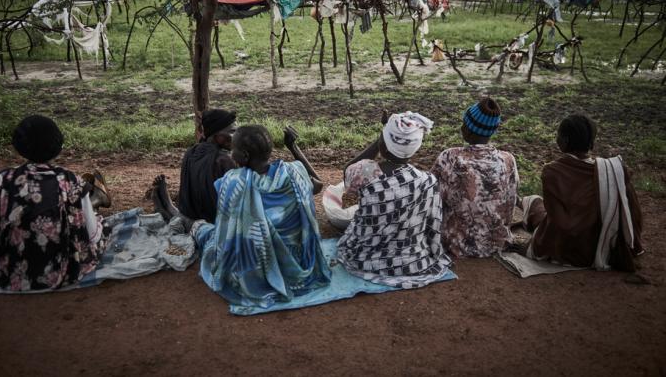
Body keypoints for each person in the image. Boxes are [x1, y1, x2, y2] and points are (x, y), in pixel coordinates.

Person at [154, 125, 330, 308]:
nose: (230, 154)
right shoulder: (293, 172)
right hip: (297, 263)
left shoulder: (234, 181)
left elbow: (226, 233)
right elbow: (317, 185)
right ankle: (174, 213)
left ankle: (175, 214)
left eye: (233, 150)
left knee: (206, 232)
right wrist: (293, 148)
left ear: (244, 156)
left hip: (258, 265)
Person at [0, 115, 109, 291]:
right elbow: (91, 234)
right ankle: (96, 201)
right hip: (64, 273)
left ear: (18, 145)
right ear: (57, 145)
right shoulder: (68, 179)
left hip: (10, 275)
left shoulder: (2, 180)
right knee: (102, 226)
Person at [337, 111, 452, 288]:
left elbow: (348, 173)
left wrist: (381, 137)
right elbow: (432, 226)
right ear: (415, 147)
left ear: (382, 144)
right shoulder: (427, 181)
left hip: (364, 258)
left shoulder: (364, 173)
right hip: (413, 261)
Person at [524, 115, 644, 270]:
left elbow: (559, 224)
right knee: (537, 206)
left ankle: (524, 204)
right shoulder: (613, 171)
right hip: (608, 243)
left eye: (558, 135)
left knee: (534, 203)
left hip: (576, 251)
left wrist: (532, 245)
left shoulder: (552, 172)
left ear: (565, 141)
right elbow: (633, 214)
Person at [431, 97, 519, 258]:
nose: (462, 126)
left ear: (469, 129)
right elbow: (509, 206)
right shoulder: (508, 160)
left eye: (464, 123)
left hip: (457, 244)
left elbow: (432, 201)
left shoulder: (450, 157)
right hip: (496, 244)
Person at [177, 109, 237, 223]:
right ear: (216, 135)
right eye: (232, 131)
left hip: (189, 217)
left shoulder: (190, 152)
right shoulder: (223, 160)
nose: (235, 136)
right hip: (215, 221)